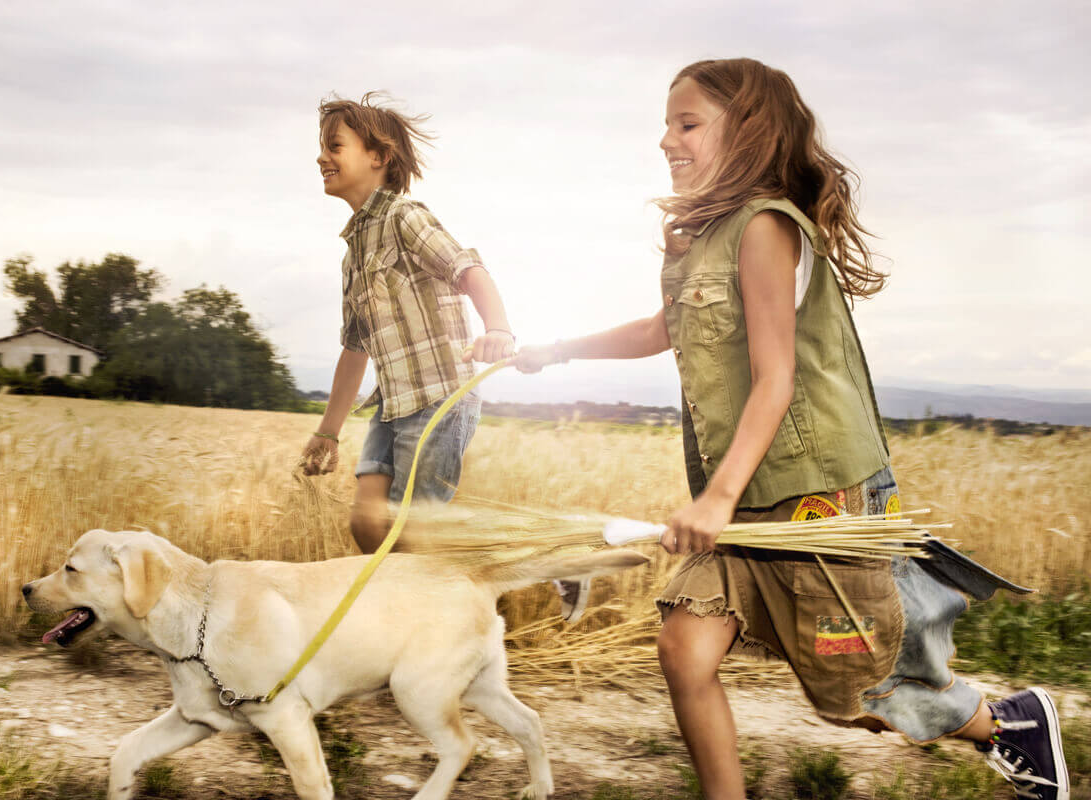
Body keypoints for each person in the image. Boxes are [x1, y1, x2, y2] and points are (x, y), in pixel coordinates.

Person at [513, 59, 1068, 800]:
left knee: (861, 688)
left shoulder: (765, 228)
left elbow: (774, 377)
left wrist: (715, 500)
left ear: (746, 131)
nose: (666, 141)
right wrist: (554, 350)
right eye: (666, 125)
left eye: (687, 124)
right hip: (743, 498)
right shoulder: (694, 241)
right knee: (684, 650)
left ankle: (1010, 725)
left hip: (815, 496)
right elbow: (658, 329)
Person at [299, 94, 514, 553]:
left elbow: (468, 270)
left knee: (410, 542)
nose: (321, 158)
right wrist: (328, 431)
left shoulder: (405, 217)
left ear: (378, 157)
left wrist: (497, 328)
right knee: (366, 525)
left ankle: (468, 569)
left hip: (440, 402)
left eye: (334, 147)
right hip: (392, 407)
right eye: (322, 148)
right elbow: (355, 349)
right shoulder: (353, 254)